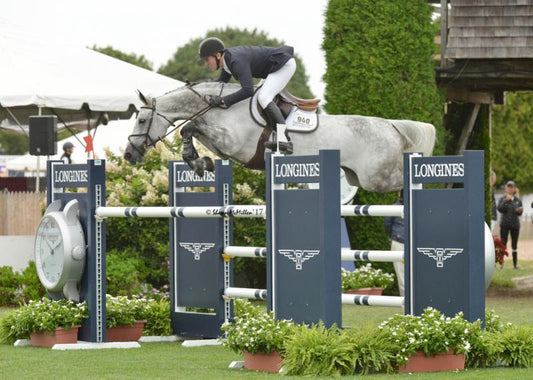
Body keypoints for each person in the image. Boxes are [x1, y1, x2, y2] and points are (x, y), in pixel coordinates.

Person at [198, 37, 296, 152]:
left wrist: (222, 100)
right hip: (273, 68)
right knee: (262, 96)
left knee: (264, 97)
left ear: (218, 55)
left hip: (283, 65)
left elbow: (248, 91)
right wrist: (198, 85)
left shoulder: (235, 61)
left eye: (207, 59)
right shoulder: (227, 61)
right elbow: (221, 82)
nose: (206, 64)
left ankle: (284, 140)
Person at [497, 180, 523, 269]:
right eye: (508, 187)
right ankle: (501, 264)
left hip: (515, 225)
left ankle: (515, 265)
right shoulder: (502, 198)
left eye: (512, 187)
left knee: (514, 245)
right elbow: (500, 209)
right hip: (504, 225)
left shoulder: (517, 200)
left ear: (514, 188)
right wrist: (506, 201)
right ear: (506, 188)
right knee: (503, 245)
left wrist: (520, 210)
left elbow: (520, 212)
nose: (510, 188)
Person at [384, 190, 405, 296]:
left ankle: (406, 304)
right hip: (402, 242)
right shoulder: (419, 206)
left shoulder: (394, 207)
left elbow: (387, 226)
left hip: (399, 242)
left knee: (402, 276)